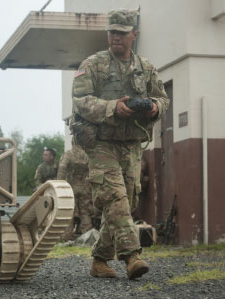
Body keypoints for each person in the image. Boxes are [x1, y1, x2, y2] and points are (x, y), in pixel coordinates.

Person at [70, 9, 169, 280]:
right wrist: (113, 107)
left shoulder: (146, 67)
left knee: (126, 201)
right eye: (113, 32)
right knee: (115, 197)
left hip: (132, 145)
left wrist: (154, 107)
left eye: (122, 34)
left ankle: (100, 260)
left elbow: (163, 98)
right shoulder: (93, 65)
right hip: (100, 143)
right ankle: (132, 257)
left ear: (133, 36)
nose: (117, 38)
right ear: (107, 34)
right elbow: (80, 102)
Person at [57, 144, 93, 240]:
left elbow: (62, 169)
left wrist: (59, 185)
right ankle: (87, 235)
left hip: (70, 187)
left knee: (69, 212)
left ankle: (67, 236)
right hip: (85, 187)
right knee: (85, 212)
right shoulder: (88, 155)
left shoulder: (68, 154)